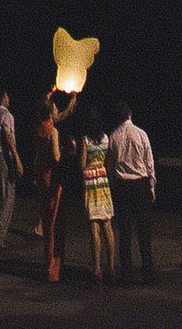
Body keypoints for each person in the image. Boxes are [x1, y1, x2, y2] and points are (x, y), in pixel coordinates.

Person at [105, 100, 156, 284]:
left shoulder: (113, 136)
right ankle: (148, 272)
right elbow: (149, 161)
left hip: (122, 186)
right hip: (140, 184)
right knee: (143, 231)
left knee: (125, 232)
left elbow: (110, 166)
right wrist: (151, 186)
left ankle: (126, 274)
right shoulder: (141, 134)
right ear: (130, 115)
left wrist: (112, 184)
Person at [31, 90, 78, 281]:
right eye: (55, 108)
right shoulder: (53, 131)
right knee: (54, 225)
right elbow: (57, 156)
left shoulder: (39, 127)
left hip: (41, 176)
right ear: (51, 112)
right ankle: (53, 270)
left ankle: (48, 266)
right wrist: (71, 150)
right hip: (52, 178)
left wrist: (63, 100)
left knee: (47, 219)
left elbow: (59, 115)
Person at [79, 116, 116, 284]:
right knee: (107, 224)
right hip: (103, 179)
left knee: (94, 226)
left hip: (90, 181)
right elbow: (108, 161)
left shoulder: (85, 140)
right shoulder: (106, 139)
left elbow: (82, 165)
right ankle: (112, 267)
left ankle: (97, 268)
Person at [0, 89, 20, 247]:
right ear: (3, 98)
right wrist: (17, 159)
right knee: (8, 197)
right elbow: (8, 137)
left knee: (0, 197)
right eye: (7, 96)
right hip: (4, 158)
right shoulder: (7, 115)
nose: (9, 98)